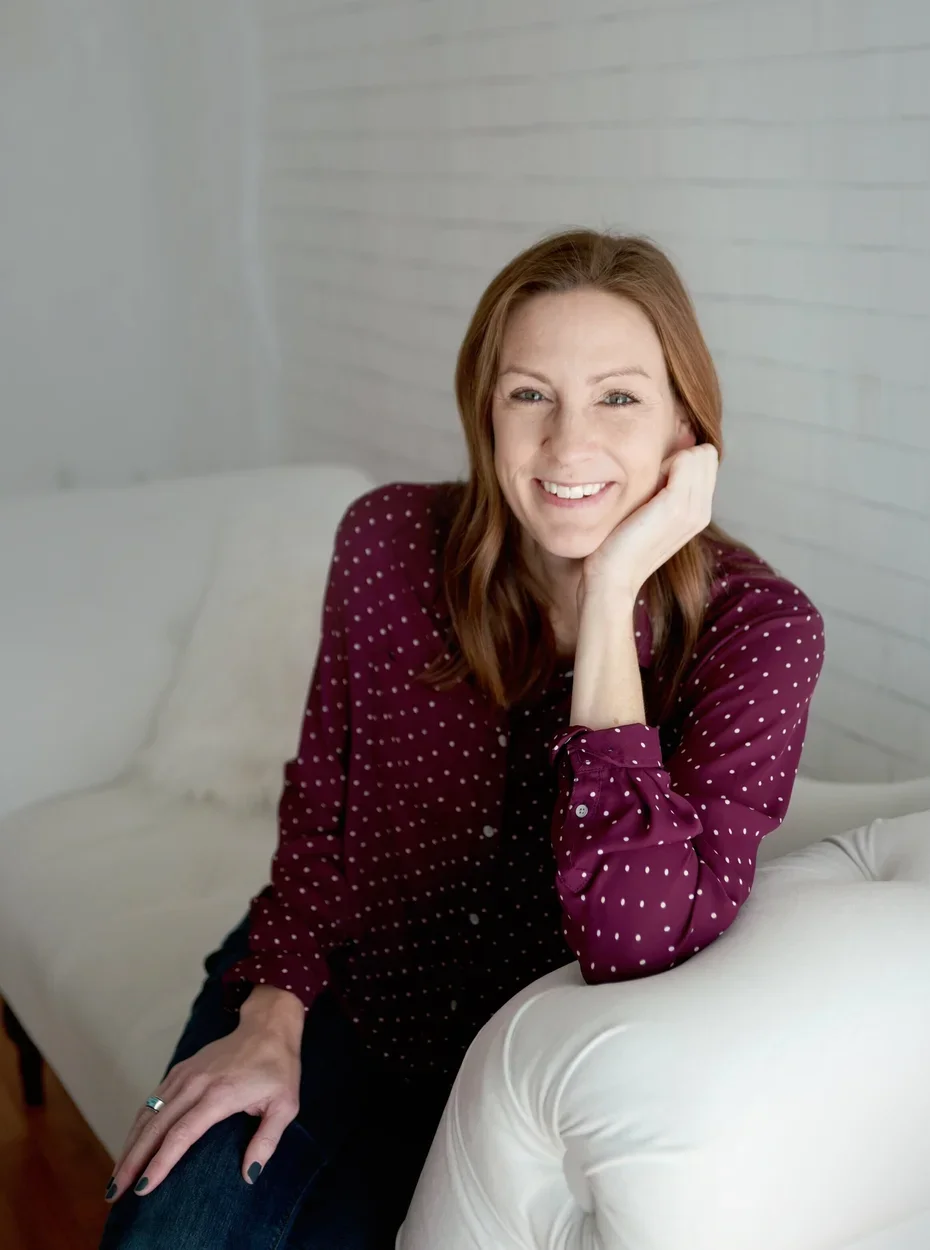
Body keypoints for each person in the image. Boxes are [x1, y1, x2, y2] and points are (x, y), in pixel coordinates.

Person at [99, 227, 825, 1249]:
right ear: (484, 411)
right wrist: (271, 1013)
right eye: (530, 393)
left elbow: (633, 940)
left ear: (684, 426)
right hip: (338, 996)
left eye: (618, 396)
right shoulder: (386, 542)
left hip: (504, 1092)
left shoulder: (760, 632)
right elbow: (323, 811)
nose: (569, 444)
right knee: (165, 1231)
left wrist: (611, 590)